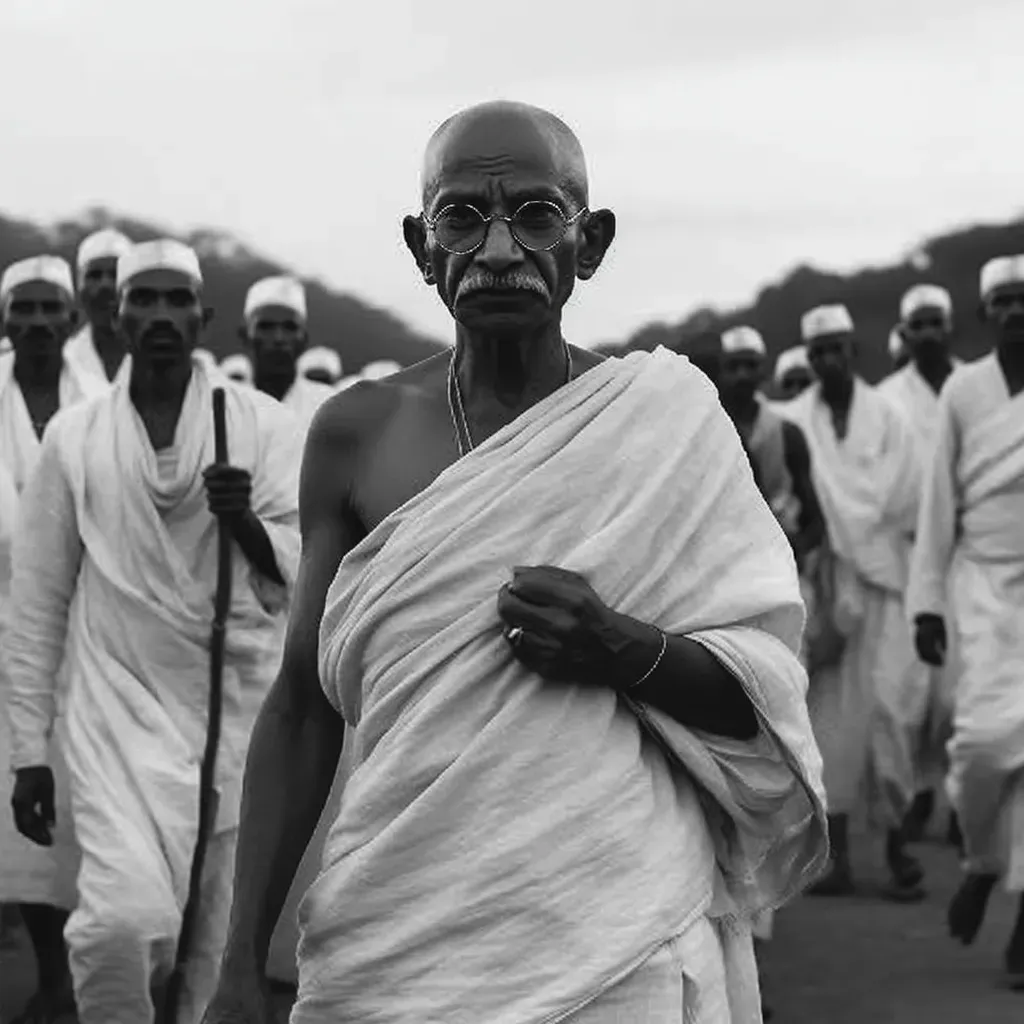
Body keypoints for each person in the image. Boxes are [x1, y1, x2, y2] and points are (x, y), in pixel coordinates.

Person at [203, 100, 827, 1024]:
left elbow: (763, 695)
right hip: (398, 936)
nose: (498, 249)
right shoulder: (354, 435)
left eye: (536, 214)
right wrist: (240, 961)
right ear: (421, 246)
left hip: (618, 929)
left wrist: (618, 645)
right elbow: (300, 705)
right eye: (462, 215)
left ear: (592, 240)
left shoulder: (663, 423)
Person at [4, 239, 303, 1024]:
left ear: (202, 318)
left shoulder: (261, 427)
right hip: (110, 722)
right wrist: (28, 752)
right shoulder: (74, 438)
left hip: (232, 722)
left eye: (178, 301)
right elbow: (36, 601)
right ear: (118, 313)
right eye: (147, 300)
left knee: (209, 955)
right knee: (117, 928)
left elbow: (309, 563)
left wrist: (246, 527)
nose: (162, 316)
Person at [907, 254, 1024, 990]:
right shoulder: (964, 391)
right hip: (983, 589)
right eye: (1004, 303)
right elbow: (936, 509)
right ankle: (983, 862)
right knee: (982, 745)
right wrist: (926, 604)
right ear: (986, 314)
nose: (1016, 312)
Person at [785, 303, 926, 902]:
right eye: (818, 352)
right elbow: (790, 498)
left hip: (884, 585)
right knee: (829, 725)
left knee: (894, 715)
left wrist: (854, 532)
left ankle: (898, 849)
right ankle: (834, 856)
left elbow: (907, 498)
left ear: (853, 352)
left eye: (837, 348)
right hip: (823, 585)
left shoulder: (891, 418)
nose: (828, 359)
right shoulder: (792, 421)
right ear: (810, 358)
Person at [0, 255, 102, 1023]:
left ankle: (60, 974)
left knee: (56, 809)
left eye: (49, 310)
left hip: (69, 639)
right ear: (7, 320)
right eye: (22, 309)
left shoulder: (97, 407)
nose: (36, 323)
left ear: (70, 321)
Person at [877, 284, 961, 843]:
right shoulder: (884, 399)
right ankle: (914, 795)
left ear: (950, 327)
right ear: (904, 334)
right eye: (918, 324)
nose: (928, 333)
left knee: (962, 691)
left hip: (972, 559)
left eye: (937, 322)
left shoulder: (978, 388)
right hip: (908, 557)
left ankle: (959, 803)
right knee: (907, 696)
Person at [718, 326, 823, 564]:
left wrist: (797, 549)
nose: (742, 375)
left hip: (781, 559)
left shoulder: (787, 432)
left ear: (763, 371)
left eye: (750, 365)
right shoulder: (707, 433)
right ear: (721, 373)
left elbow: (814, 516)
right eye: (734, 366)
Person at [241, 277, 333, 425]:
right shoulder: (223, 406)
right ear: (245, 336)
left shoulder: (327, 407)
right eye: (266, 327)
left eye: (290, 327)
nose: (279, 338)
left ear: (304, 339)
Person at [64, 228, 134, 385]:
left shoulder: (166, 361)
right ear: (78, 287)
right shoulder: (61, 362)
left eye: (115, 274)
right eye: (94, 275)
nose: (105, 285)